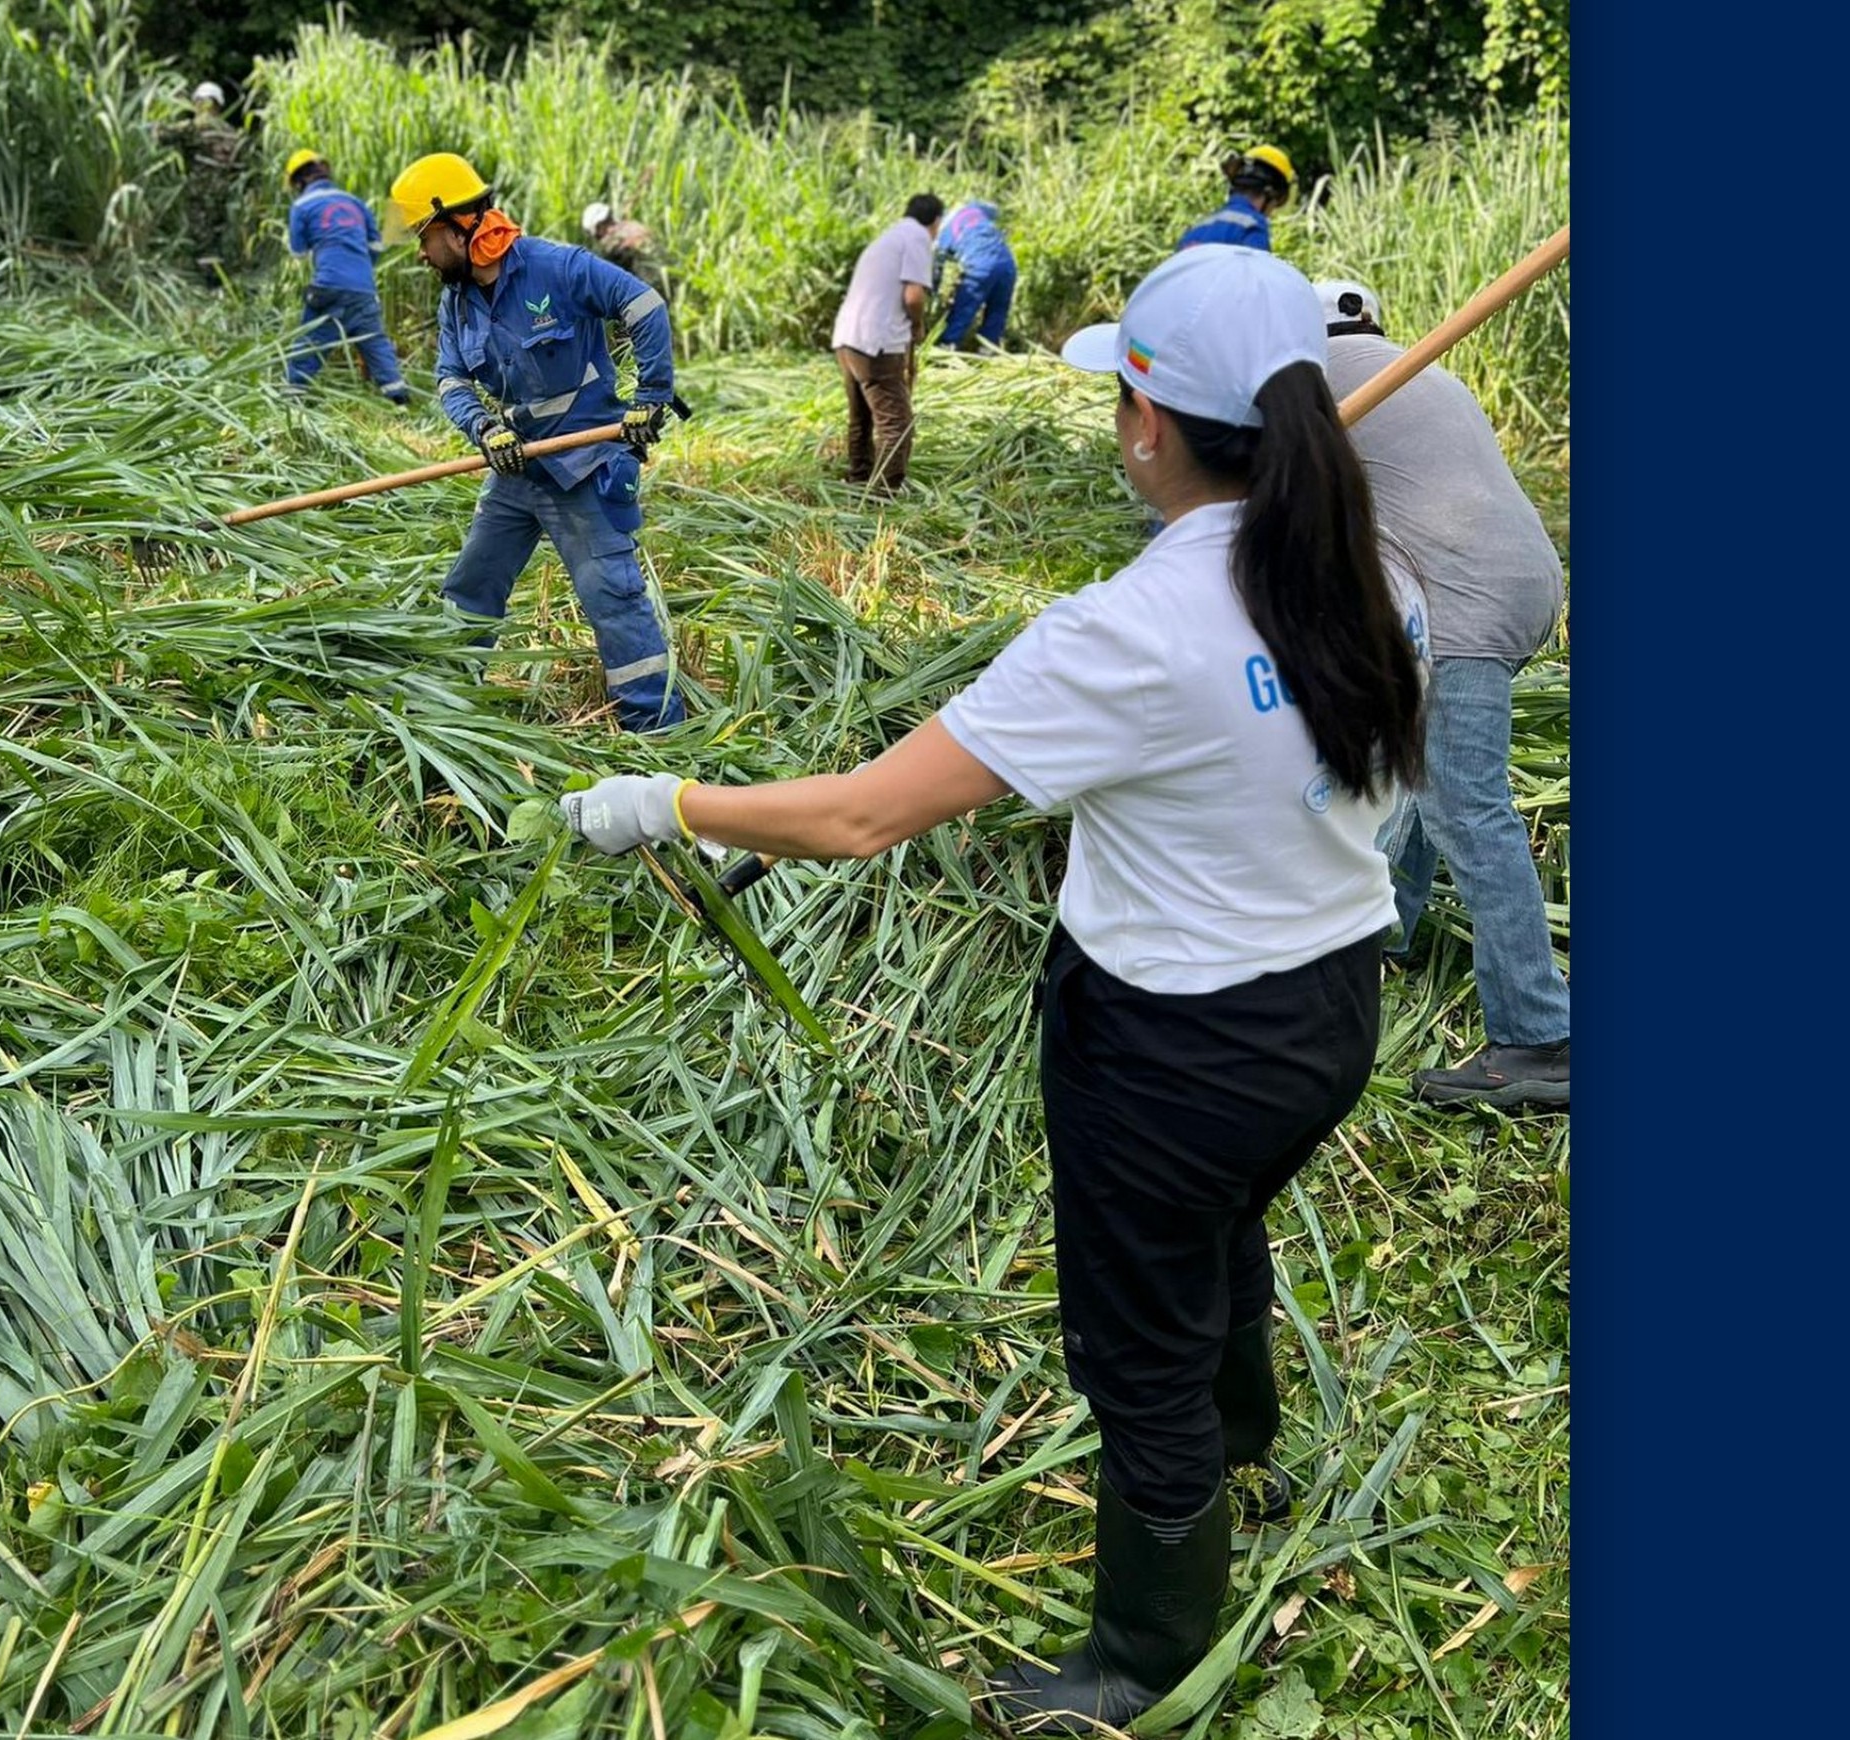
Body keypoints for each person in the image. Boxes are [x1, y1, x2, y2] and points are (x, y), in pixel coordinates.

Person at [555, 246, 1427, 1731]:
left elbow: (856, 815)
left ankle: (1142, 1663)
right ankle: (1245, 1453)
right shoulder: (1367, 575)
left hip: (1169, 1049)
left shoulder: (1126, 631)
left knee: (1133, 1340)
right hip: (1327, 1008)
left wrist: (667, 802)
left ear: (1145, 424)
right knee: (1221, 1238)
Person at [1317, 277, 1571, 1108]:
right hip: (1524, 578)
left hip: (1461, 594)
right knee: (1419, 760)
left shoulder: (1310, 367)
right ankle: (1386, 928)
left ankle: (1540, 1038)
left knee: (1467, 803)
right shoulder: (1417, 369)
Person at [388, 151, 687, 733]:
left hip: (585, 467)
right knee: (472, 583)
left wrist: (652, 395)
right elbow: (451, 377)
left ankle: (659, 735)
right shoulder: (457, 299)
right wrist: (485, 427)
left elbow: (645, 307)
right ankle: (449, 709)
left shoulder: (558, 268)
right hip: (518, 467)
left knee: (614, 601)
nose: (422, 254)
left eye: (425, 238)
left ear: (457, 224)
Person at [832, 193, 942, 493]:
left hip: (847, 340)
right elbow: (914, 295)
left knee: (862, 418)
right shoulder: (918, 238)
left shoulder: (887, 239)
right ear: (935, 222)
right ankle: (882, 495)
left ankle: (858, 479)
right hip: (876, 343)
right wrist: (917, 325)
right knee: (897, 425)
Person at [279, 151, 409, 406]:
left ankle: (289, 399)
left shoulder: (301, 206)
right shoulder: (355, 202)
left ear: (298, 182)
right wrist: (358, 271)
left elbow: (298, 252)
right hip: (363, 289)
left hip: (329, 287)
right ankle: (400, 400)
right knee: (375, 343)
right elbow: (376, 246)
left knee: (311, 343)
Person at [160, 81, 249, 271]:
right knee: (217, 233)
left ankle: (209, 279)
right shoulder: (232, 132)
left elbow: (160, 136)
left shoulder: (193, 126)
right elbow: (240, 165)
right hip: (224, 191)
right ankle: (222, 275)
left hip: (199, 191)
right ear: (219, 103)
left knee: (202, 236)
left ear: (198, 102)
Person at [1177, 145, 1297, 253]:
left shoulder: (1196, 229)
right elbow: (1256, 275)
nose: (1272, 212)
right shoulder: (1252, 227)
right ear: (1271, 194)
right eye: (1275, 205)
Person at [935, 199, 1017, 351]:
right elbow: (996, 210)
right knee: (997, 310)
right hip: (1007, 263)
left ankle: (946, 348)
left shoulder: (943, 234)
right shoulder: (972, 208)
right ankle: (987, 352)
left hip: (980, 265)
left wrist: (934, 293)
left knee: (964, 309)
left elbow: (937, 272)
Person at [580, 201, 666, 298]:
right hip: (668, 278)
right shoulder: (633, 226)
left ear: (599, 228)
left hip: (653, 291)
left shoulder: (611, 240)